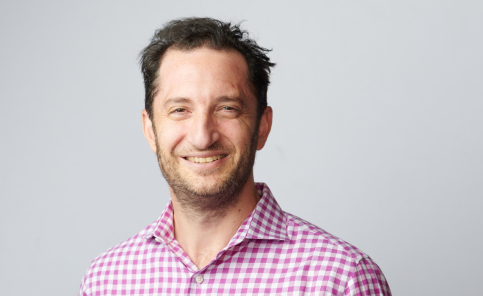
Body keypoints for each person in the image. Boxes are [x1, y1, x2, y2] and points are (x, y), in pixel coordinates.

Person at [79, 17, 391, 296]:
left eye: (227, 108)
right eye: (179, 110)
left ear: (261, 127)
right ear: (150, 130)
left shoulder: (341, 279)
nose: (203, 136)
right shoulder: (105, 281)